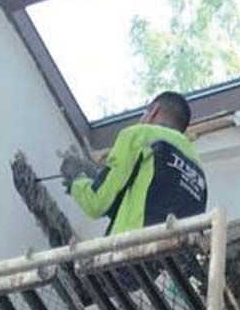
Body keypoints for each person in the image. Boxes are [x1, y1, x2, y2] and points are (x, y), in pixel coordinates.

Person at [59, 91, 208, 236]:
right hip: (177, 251)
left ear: (154, 111)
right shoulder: (198, 167)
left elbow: (96, 203)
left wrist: (77, 178)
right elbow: (149, 203)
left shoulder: (139, 134)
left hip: (133, 245)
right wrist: (96, 177)